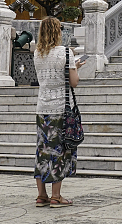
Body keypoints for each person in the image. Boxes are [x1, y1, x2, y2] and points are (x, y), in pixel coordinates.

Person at [33, 16, 84, 207]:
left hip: (42, 108)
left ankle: (41, 195)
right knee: (59, 151)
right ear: (58, 31)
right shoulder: (66, 52)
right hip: (60, 109)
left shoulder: (37, 53)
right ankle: (56, 196)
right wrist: (76, 68)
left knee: (42, 150)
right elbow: (74, 82)